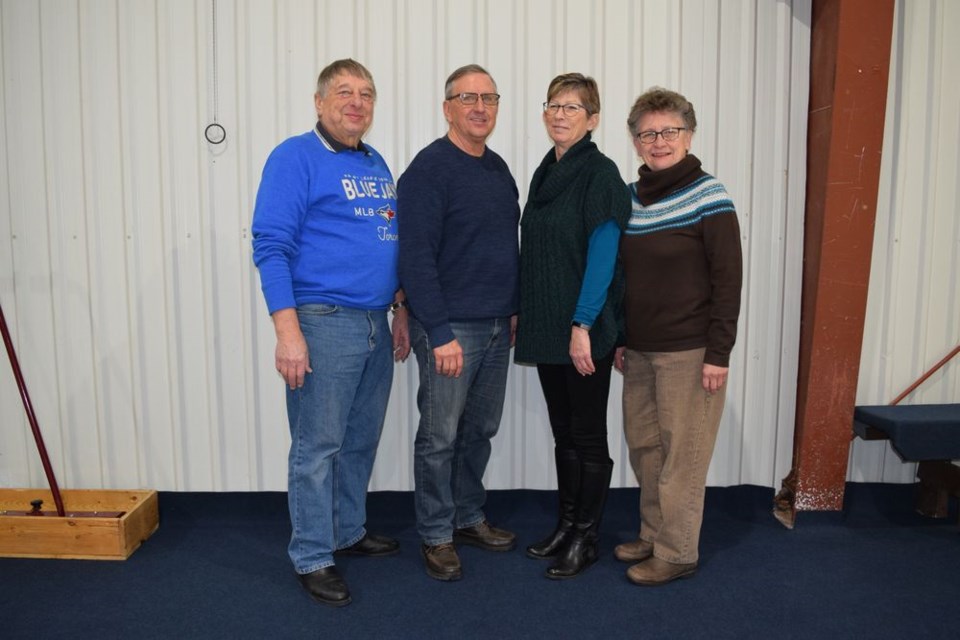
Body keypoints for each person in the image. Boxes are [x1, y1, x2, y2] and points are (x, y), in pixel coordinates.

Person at [251, 59, 410, 607]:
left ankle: (347, 531)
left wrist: (400, 309)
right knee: (317, 448)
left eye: (366, 93)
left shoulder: (375, 161)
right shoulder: (295, 157)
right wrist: (288, 334)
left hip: (374, 321)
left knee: (359, 440)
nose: (356, 102)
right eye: (344, 92)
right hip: (321, 323)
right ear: (319, 102)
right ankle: (313, 553)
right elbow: (271, 247)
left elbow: (386, 240)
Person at [614, 87, 742, 586]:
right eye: (648, 133)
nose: (659, 141)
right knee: (645, 447)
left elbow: (727, 280)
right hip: (640, 350)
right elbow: (626, 278)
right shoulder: (631, 198)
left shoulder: (710, 195)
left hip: (691, 353)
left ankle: (678, 550)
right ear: (636, 141)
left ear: (689, 136)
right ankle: (653, 533)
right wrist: (623, 337)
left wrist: (719, 353)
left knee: (682, 457)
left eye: (669, 131)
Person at [397, 64, 520, 582]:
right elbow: (416, 258)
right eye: (467, 97)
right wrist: (439, 331)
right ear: (446, 107)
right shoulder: (429, 170)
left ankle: (469, 516)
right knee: (440, 436)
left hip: (497, 326)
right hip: (451, 330)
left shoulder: (499, 168)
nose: (479, 107)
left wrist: (512, 308)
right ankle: (436, 533)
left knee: (480, 430)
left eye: (488, 98)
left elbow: (503, 246)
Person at [514, 73, 631, 579]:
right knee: (564, 433)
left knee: (587, 436)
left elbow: (603, 256)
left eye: (573, 107)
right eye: (553, 105)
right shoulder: (545, 173)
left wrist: (583, 323)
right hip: (547, 326)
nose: (560, 114)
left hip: (583, 329)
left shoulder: (599, 175)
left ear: (593, 118)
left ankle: (587, 537)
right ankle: (566, 526)